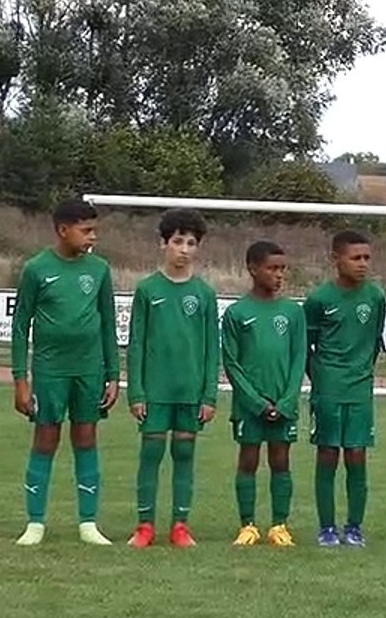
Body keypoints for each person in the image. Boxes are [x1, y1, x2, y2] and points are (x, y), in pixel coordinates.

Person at [11, 198, 120, 546]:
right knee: (46, 439)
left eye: (95, 230)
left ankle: (88, 523)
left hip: (88, 371)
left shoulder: (100, 269)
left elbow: (107, 325)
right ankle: (35, 523)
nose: (92, 237)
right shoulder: (36, 269)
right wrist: (20, 380)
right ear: (63, 229)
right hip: (49, 370)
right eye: (86, 230)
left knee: (86, 438)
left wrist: (113, 374)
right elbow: (19, 326)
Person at [125, 209, 219, 549]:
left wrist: (209, 396)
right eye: (177, 241)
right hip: (155, 391)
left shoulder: (205, 294)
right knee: (150, 456)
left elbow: (211, 348)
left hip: (191, 392)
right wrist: (135, 391)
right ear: (163, 243)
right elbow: (136, 343)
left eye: (191, 243)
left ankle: (180, 526)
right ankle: (144, 526)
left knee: (184, 455)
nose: (184, 249)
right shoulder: (148, 290)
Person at [222, 240, 306, 547]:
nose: (279, 274)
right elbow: (231, 362)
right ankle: (248, 525)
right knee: (248, 461)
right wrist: (256, 402)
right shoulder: (237, 313)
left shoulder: (293, 313)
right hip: (249, 406)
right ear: (253, 269)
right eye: (272, 268)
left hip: (284, 404)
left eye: (282, 268)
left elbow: (299, 360)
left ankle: (279, 525)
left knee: (281, 461)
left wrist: (286, 401)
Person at [305, 230, 386, 548]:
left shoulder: (376, 296)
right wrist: (321, 378)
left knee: (356, 454)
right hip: (327, 389)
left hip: (359, 390)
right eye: (356, 258)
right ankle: (327, 527)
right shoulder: (319, 300)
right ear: (336, 259)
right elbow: (304, 347)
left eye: (367, 257)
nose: (363, 264)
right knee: (327, 454)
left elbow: (374, 341)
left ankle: (354, 527)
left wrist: (362, 372)